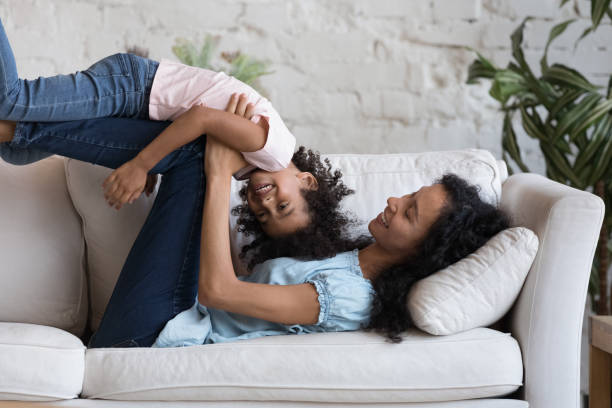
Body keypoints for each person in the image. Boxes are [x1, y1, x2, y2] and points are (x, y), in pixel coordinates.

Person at [152, 137, 511, 347]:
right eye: (410, 194)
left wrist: (218, 175)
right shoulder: (344, 255)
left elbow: (218, 292)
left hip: (166, 330)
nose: (393, 202)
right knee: (193, 148)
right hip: (172, 307)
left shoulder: (348, 297)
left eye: (410, 212)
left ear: (424, 253)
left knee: (193, 163)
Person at [0, 17, 297, 226]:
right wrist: (141, 164)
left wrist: (154, 160)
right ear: (306, 181)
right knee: (11, 101)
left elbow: (190, 129)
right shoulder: (275, 152)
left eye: (263, 216)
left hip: (135, 107)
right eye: (283, 206)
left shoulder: (247, 166)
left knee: (17, 151)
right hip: (132, 86)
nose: (267, 205)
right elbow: (201, 116)